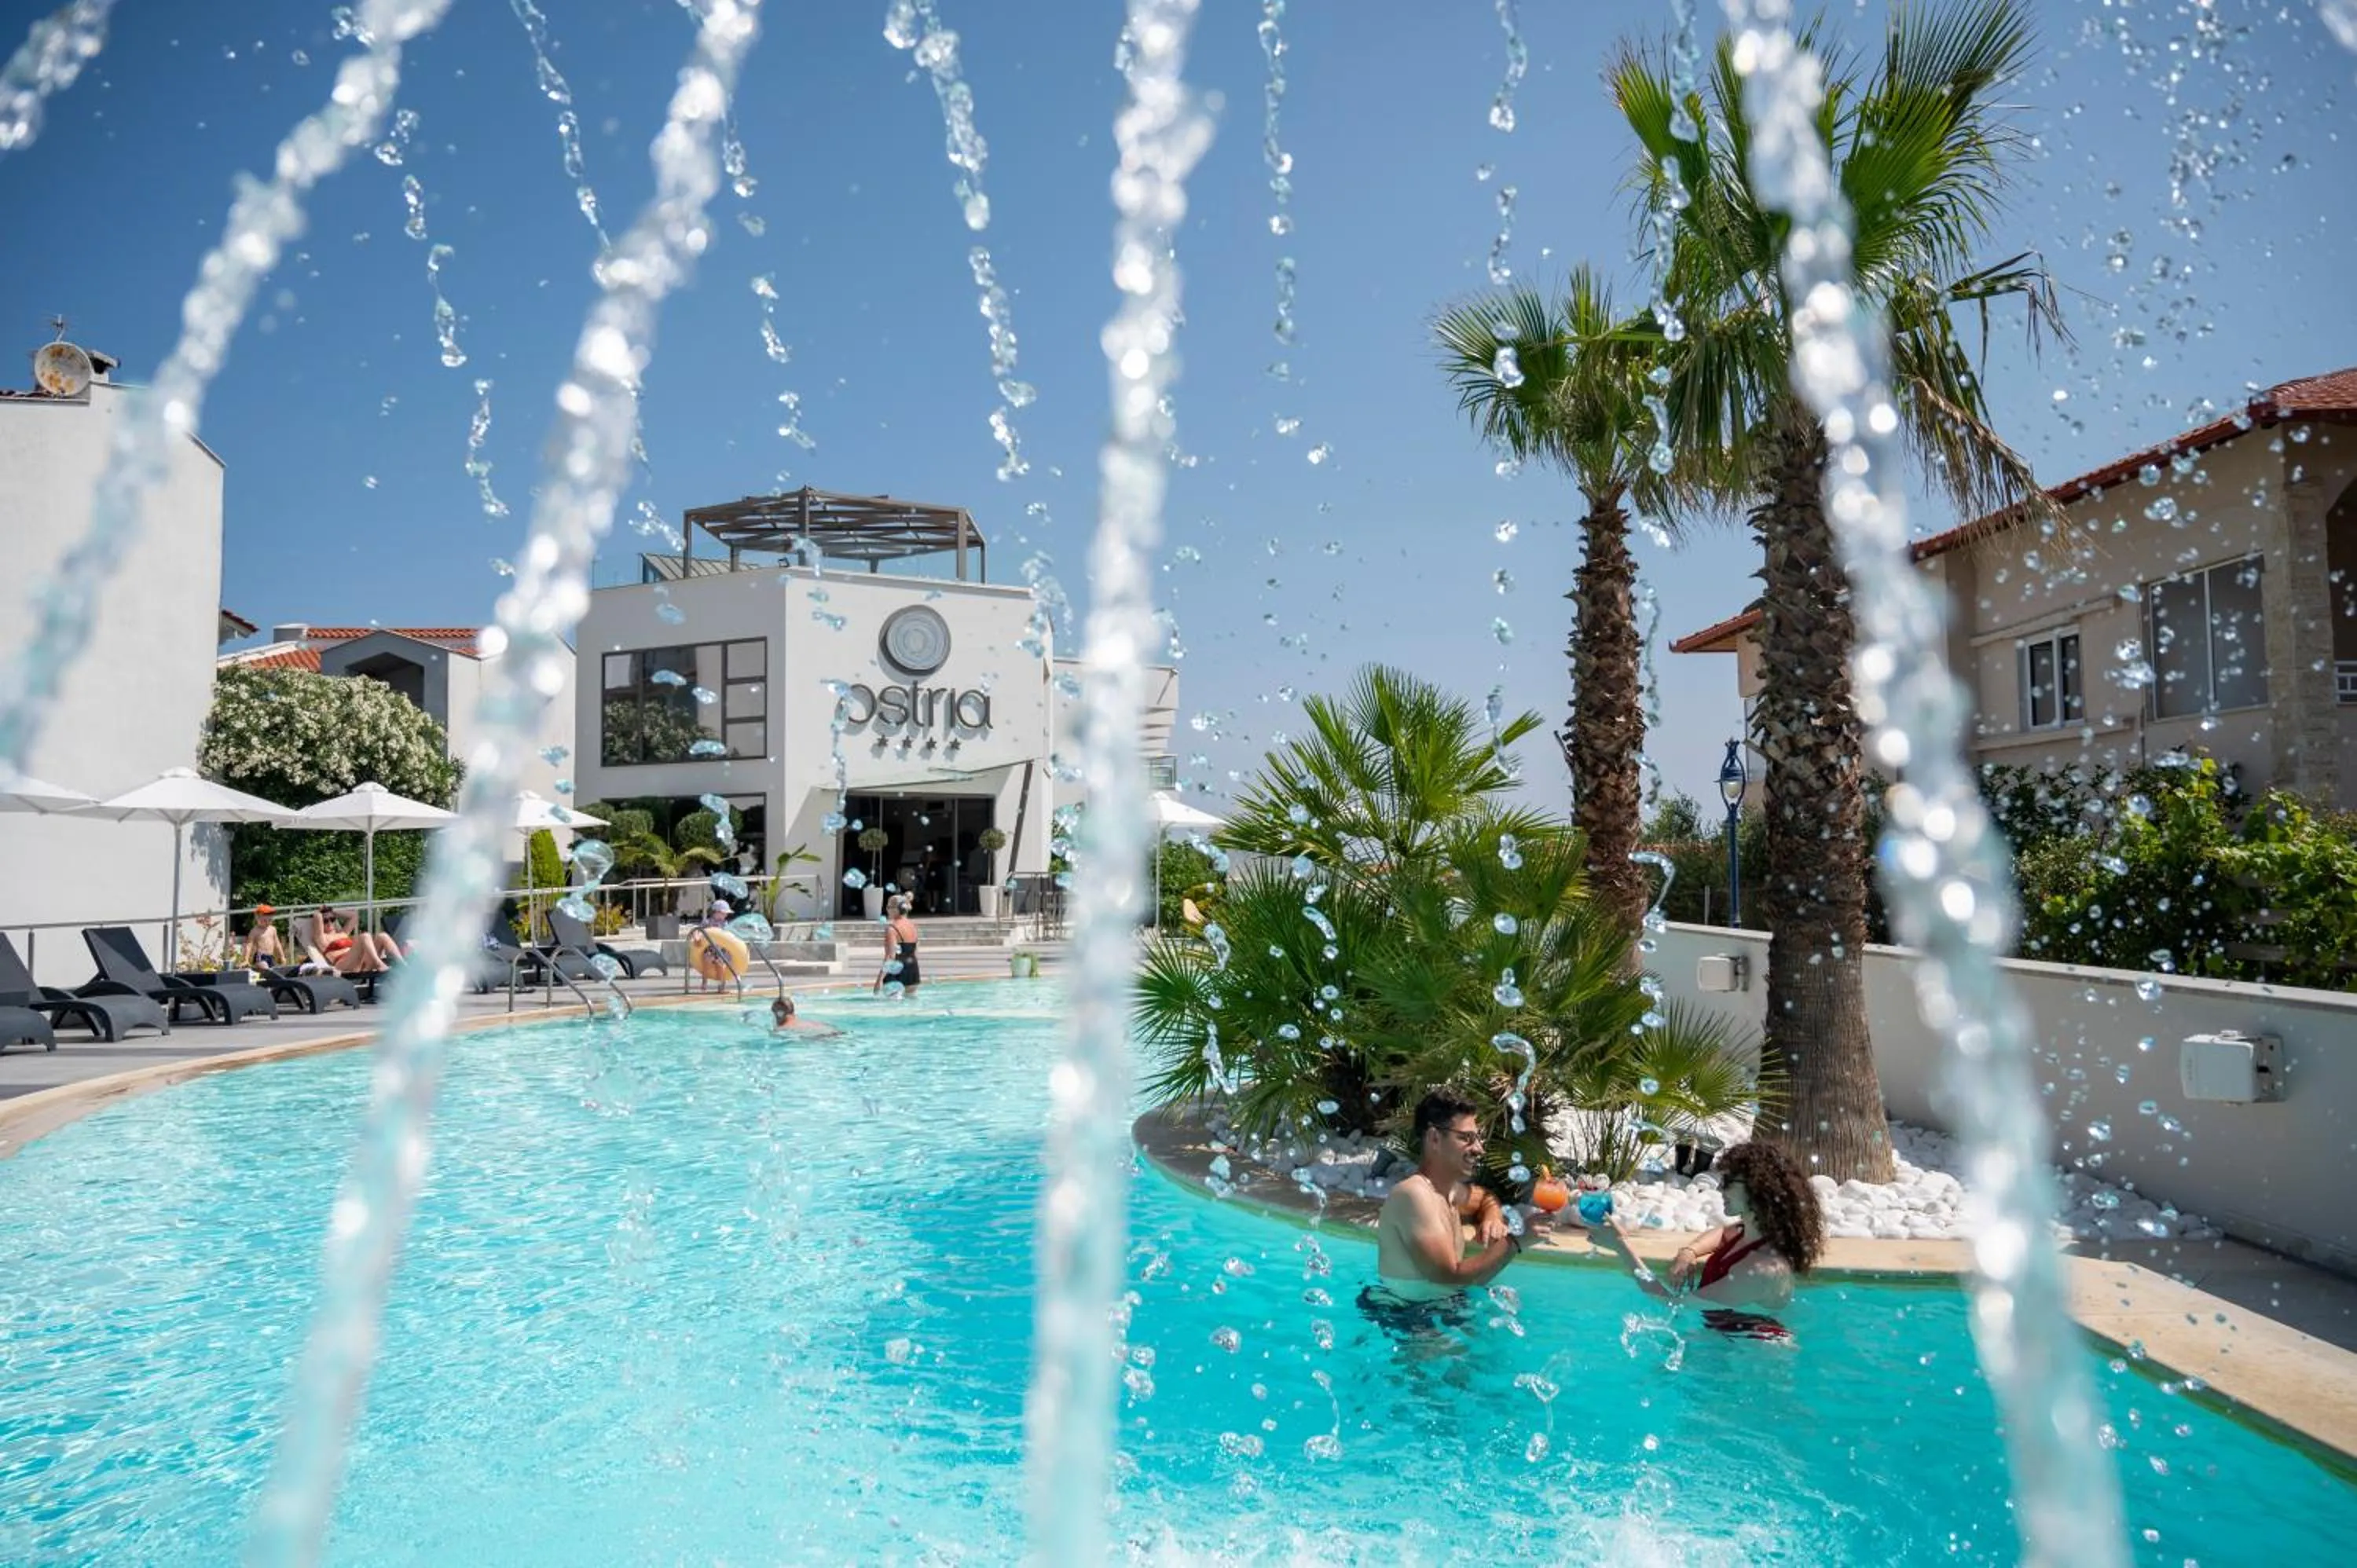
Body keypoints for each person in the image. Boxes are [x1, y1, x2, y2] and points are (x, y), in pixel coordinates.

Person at [1579, 1140, 1824, 1341]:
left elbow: (1670, 1303)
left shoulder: (1762, 1270)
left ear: (1758, 1188)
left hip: (1754, 1357)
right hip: (1733, 1341)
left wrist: (1621, 1246)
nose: (1720, 1189)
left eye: (1729, 1182)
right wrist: (1689, 1252)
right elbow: (1721, 1233)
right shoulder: (1750, 1232)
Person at [1361, 1089, 1527, 1341]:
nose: (1479, 1149)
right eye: (1467, 1138)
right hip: (1405, 1315)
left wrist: (1492, 1216)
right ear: (1435, 1138)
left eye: (1478, 1138)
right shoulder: (1414, 1195)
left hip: (1441, 1305)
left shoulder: (1450, 1191)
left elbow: (1485, 1198)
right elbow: (1446, 1276)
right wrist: (1516, 1242)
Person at [875, 896, 921, 997]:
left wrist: (879, 980)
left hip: (896, 970)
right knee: (911, 1002)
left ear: (897, 909)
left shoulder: (892, 929)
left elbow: (890, 956)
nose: (887, 910)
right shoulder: (913, 926)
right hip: (913, 969)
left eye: (889, 907)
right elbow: (915, 952)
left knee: (893, 1005)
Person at [238, 906, 287, 971]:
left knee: (273, 972)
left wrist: (282, 956)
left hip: (271, 956)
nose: (267, 922)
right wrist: (246, 960)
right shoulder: (255, 931)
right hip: (261, 956)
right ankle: (256, 967)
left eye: (270, 920)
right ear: (257, 918)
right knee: (265, 968)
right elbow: (249, 945)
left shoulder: (273, 929)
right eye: (264, 920)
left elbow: (277, 944)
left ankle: (256, 969)